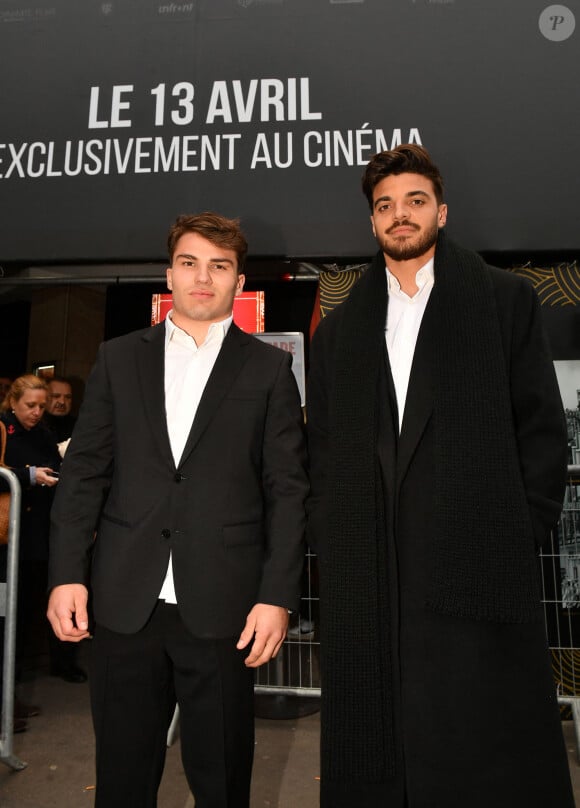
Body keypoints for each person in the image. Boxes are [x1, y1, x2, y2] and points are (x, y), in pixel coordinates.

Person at [306, 144, 574, 807]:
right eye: (385, 205)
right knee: (383, 734)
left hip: (476, 560)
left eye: (415, 201)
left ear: (442, 211)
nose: (400, 216)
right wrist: (333, 533)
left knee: (480, 737)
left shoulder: (502, 300)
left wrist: (519, 526)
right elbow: (325, 447)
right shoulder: (340, 332)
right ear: (372, 223)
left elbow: (540, 427)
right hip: (373, 566)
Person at [47, 211, 308, 808]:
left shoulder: (268, 368)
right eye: (190, 263)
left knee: (221, 780)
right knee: (122, 777)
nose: (203, 278)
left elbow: (288, 490)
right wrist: (65, 575)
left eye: (219, 267)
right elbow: (85, 474)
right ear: (170, 273)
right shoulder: (118, 359)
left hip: (224, 607)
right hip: (122, 602)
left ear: (238, 282)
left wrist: (277, 597)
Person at [0, 375, 62, 732]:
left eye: (41, 405)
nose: (37, 412)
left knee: (24, 621)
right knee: (7, 621)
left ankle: (11, 699)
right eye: (30, 406)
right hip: (7, 539)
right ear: (13, 402)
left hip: (36, 538)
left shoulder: (43, 432)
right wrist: (27, 476)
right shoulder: (3, 429)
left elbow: (55, 463)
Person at [44, 377, 76, 443]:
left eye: (68, 397)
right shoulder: (33, 425)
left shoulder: (79, 427)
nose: (62, 402)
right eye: (56, 396)